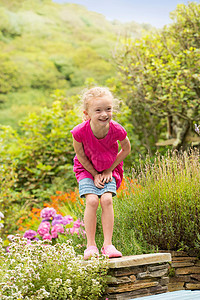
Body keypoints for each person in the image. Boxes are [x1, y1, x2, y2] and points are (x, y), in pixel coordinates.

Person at [71, 87, 131, 260]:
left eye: (108, 109)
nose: (104, 114)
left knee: (106, 199)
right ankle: (90, 246)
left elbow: (126, 149)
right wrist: (94, 173)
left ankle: (108, 245)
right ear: (87, 113)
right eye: (98, 110)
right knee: (91, 201)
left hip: (109, 169)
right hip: (86, 169)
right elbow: (80, 156)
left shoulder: (117, 129)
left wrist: (108, 169)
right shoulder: (79, 132)